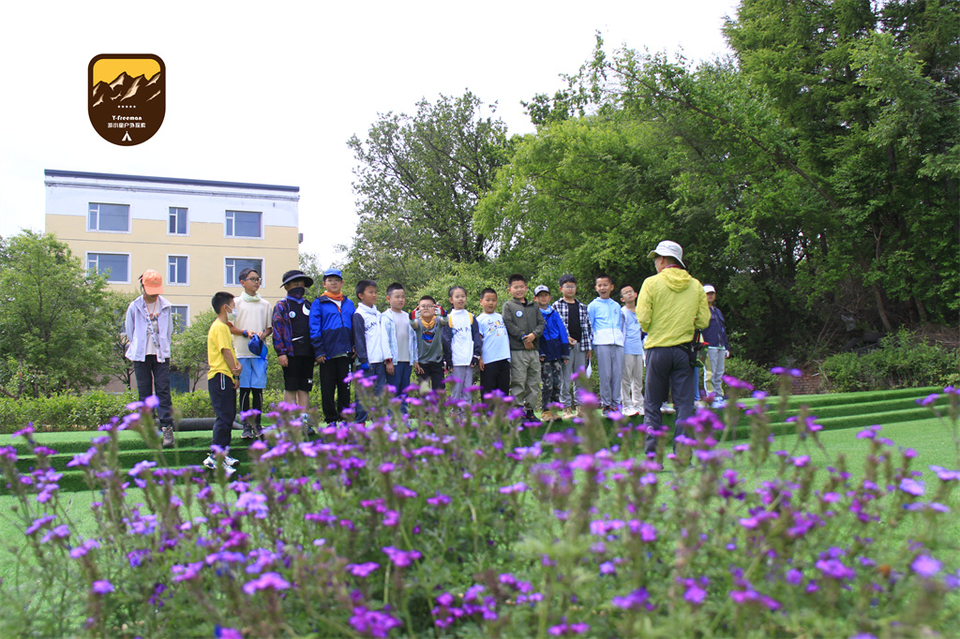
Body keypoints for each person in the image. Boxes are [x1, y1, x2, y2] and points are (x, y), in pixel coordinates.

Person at [637, 240, 710, 457]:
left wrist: (655, 327)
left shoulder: (651, 283)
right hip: (684, 351)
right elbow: (703, 321)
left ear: (661, 260)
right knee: (685, 405)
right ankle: (682, 456)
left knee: (652, 404)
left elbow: (643, 319)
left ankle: (653, 457)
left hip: (657, 349)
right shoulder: (696, 285)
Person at [124, 269, 175, 447]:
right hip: (141, 355)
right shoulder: (134, 306)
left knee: (163, 390)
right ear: (143, 287)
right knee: (144, 391)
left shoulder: (166, 306)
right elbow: (130, 330)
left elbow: (169, 330)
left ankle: (167, 428)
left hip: (160, 354)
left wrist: (162, 346)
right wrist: (139, 344)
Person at [310, 268, 356, 426]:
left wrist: (355, 346)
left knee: (345, 389)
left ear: (342, 282)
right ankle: (331, 420)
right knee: (328, 390)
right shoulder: (318, 303)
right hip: (327, 355)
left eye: (337, 280)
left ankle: (344, 421)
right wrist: (319, 351)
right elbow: (314, 328)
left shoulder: (349, 303)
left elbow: (355, 326)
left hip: (346, 354)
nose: (334, 283)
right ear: (324, 283)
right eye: (330, 280)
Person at [272, 269, 316, 431]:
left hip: (308, 353)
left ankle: (304, 422)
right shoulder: (282, 305)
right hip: (290, 354)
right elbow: (277, 330)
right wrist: (281, 352)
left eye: (302, 285)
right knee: (291, 387)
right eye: (295, 284)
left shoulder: (309, 305)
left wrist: (317, 352)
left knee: (304, 387)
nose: (299, 287)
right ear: (287, 287)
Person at [231, 268, 272, 438]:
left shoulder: (265, 304)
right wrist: (245, 332)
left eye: (258, 279)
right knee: (245, 390)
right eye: (253, 279)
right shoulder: (235, 302)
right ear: (242, 282)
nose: (256, 282)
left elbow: (269, 328)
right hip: (241, 352)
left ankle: (257, 424)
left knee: (258, 390)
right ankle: (246, 426)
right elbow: (229, 326)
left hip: (259, 354)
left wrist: (263, 334)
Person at [204, 292, 242, 476]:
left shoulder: (225, 328)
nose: (235, 309)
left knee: (229, 416)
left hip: (225, 376)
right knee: (224, 417)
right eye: (233, 305)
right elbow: (226, 352)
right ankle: (214, 457)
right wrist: (235, 372)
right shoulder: (219, 327)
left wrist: (236, 367)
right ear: (224, 307)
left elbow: (230, 353)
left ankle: (223, 453)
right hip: (220, 376)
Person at [503, 274, 544, 421]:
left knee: (534, 382)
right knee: (518, 381)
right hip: (517, 351)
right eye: (516, 287)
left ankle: (530, 411)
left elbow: (541, 324)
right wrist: (523, 337)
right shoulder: (508, 306)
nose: (519, 290)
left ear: (526, 288)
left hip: (533, 350)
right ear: (510, 290)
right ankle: (517, 412)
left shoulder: (534, 306)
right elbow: (508, 324)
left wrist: (533, 335)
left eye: (522, 287)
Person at [553, 274, 593, 418]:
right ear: (561, 288)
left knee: (580, 378)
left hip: (581, 346)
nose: (570, 289)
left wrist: (589, 348)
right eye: (567, 286)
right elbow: (554, 327)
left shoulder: (582, 307)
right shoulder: (556, 306)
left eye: (572, 286)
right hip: (565, 347)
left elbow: (588, 328)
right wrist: (565, 338)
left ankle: (580, 407)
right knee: (564, 378)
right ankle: (566, 408)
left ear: (576, 288)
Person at [352, 279, 392, 420]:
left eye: (375, 292)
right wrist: (363, 359)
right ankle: (360, 424)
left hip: (379, 362)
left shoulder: (378, 314)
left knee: (380, 395)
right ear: (361, 295)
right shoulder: (359, 315)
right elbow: (359, 339)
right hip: (366, 363)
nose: (374, 295)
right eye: (370, 292)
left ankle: (380, 424)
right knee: (363, 396)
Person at [588, 274, 625, 417]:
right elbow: (589, 326)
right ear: (596, 288)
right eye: (600, 285)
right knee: (606, 374)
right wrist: (590, 346)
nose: (603, 288)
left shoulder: (616, 305)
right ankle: (606, 405)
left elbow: (620, 325)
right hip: (602, 342)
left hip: (618, 343)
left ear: (611, 287)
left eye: (605, 285)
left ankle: (616, 404)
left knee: (617, 374)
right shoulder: (593, 305)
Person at [441, 286, 482, 404]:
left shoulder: (470, 316)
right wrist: (448, 360)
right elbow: (446, 340)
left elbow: (476, 337)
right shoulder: (448, 318)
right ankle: (455, 417)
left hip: (469, 360)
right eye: (457, 296)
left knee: (467, 391)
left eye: (463, 296)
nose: (460, 299)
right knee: (456, 391)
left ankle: (465, 417)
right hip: (456, 361)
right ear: (451, 300)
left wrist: (476, 355)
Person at [535, 285, 569, 422]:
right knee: (547, 384)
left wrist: (565, 352)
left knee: (557, 382)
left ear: (549, 297)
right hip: (544, 355)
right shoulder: (535, 314)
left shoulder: (554, 313)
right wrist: (540, 352)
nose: (543, 297)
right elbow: (536, 336)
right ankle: (546, 411)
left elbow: (562, 332)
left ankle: (554, 410)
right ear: (535, 298)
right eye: (540, 295)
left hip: (557, 353)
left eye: (545, 295)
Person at [382, 283, 417, 407]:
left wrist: (415, 359)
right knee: (392, 392)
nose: (400, 299)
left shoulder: (408, 317)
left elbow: (413, 340)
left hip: (407, 360)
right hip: (394, 362)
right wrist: (388, 360)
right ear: (388, 299)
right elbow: (384, 340)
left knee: (404, 391)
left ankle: (403, 421)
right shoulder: (385, 317)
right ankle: (391, 421)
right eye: (397, 297)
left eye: (403, 297)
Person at [477, 288, 510, 397]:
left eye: (494, 300)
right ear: (481, 302)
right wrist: (480, 358)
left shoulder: (500, 317)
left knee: (504, 387)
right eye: (488, 300)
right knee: (488, 388)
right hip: (488, 360)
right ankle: (488, 413)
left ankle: (502, 413)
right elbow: (478, 340)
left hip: (504, 357)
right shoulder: (479, 319)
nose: (491, 303)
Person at [701, 284, 731, 405]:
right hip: (709, 346)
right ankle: (711, 396)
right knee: (710, 373)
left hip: (720, 346)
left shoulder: (717, 311)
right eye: (708, 294)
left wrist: (726, 347)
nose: (710, 296)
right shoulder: (702, 311)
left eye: (712, 293)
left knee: (719, 373)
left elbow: (722, 330)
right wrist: (701, 348)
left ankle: (719, 395)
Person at [411, 295, 447, 390]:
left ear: (435, 308)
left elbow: (445, 320)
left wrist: (443, 312)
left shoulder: (438, 320)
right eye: (423, 306)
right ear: (419, 308)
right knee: (424, 393)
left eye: (429, 306)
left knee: (439, 392)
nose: (426, 308)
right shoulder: (418, 322)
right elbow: (412, 323)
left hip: (437, 362)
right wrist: (412, 315)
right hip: (422, 363)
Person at [619, 283, 645, 417]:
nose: (629, 294)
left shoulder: (641, 311)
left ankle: (639, 404)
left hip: (639, 349)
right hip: (626, 348)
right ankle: (626, 405)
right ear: (622, 299)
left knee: (638, 378)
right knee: (626, 379)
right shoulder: (622, 312)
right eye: (626, 292)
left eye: (631, 291)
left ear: (636, 294)